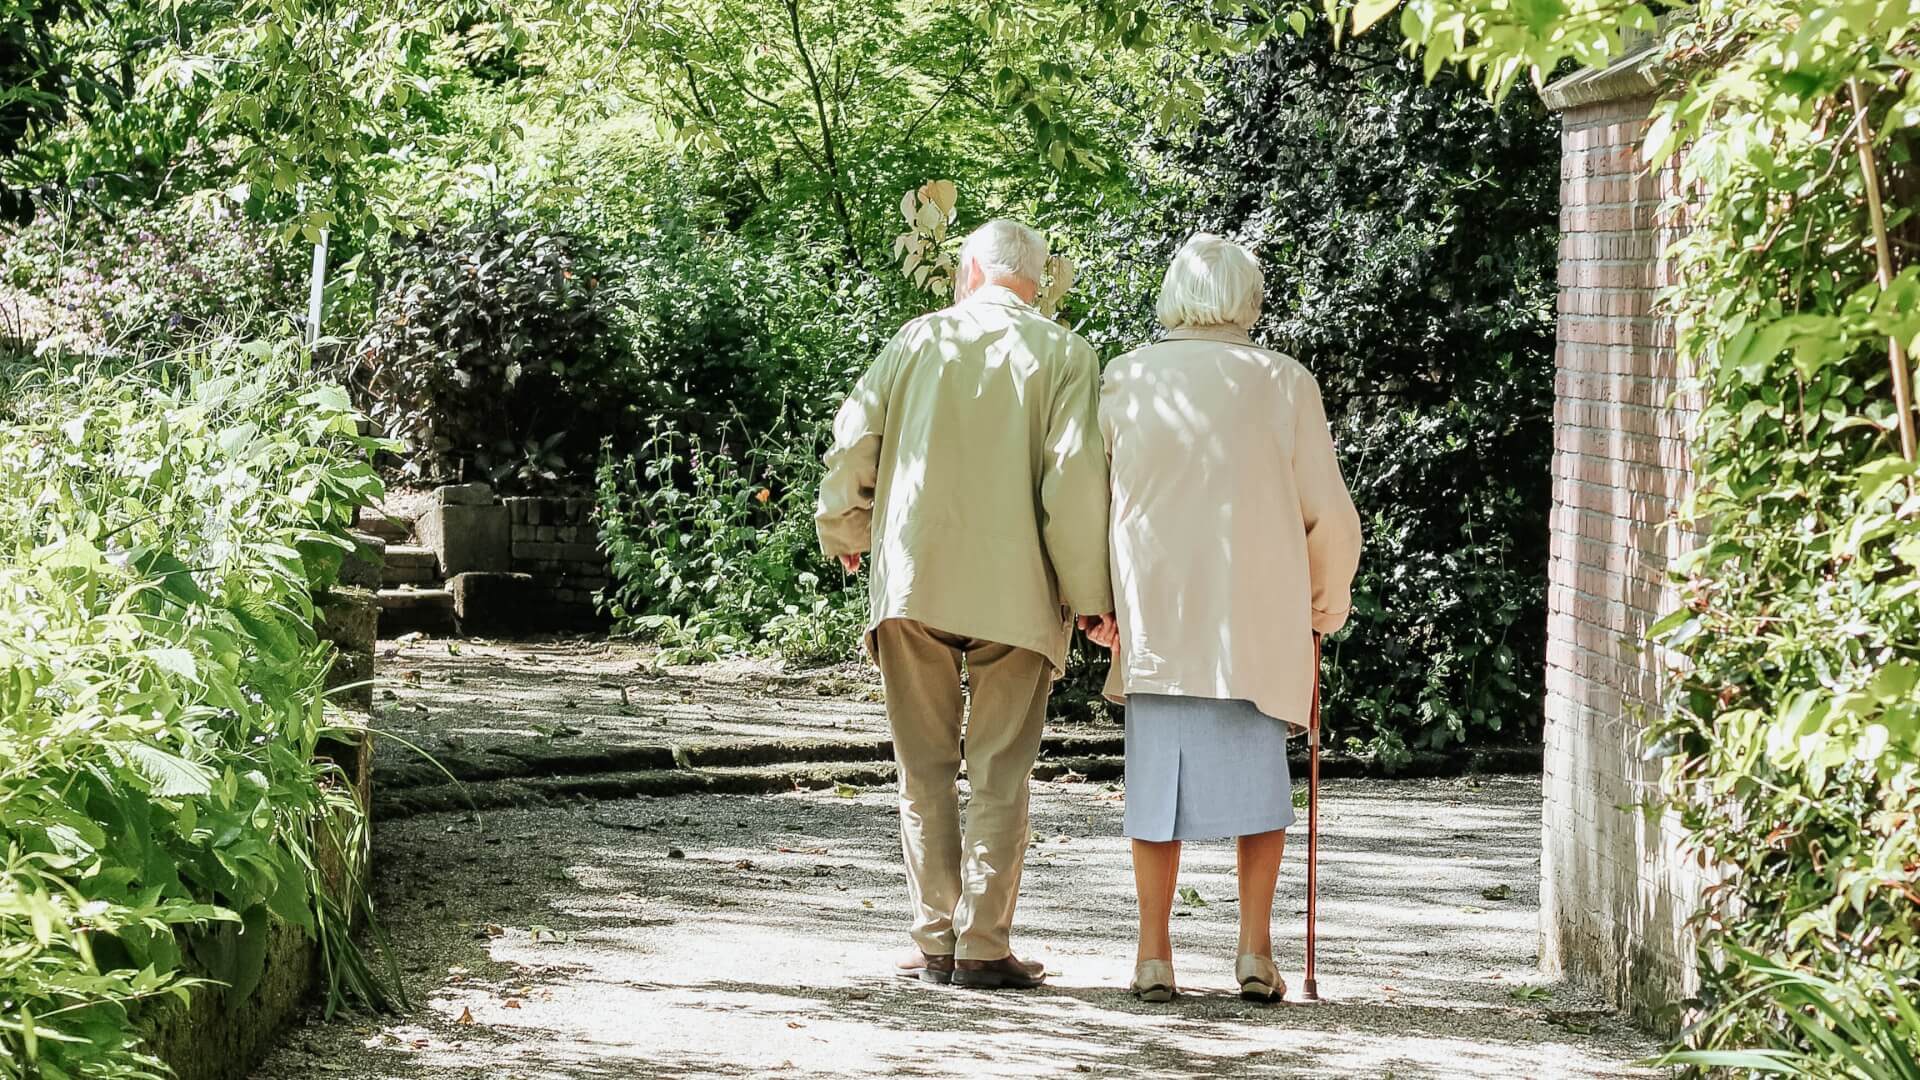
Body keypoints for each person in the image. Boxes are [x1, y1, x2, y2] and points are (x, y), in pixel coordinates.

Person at [815, 219, 1117, 990]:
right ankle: (983, 944)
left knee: (922, 768)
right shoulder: (1065, 353)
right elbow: (1074, 483)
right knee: (1000, 771)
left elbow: (854, 444)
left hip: (916, 580)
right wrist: (1091, 599)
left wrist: (845, 526)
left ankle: (933, 940)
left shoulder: (914, 340)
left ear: (971, 271)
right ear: (1037, 280)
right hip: (1017, 591)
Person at [1094, 233, 1362, 1003]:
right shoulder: (1283, 383)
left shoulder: (1126, 377)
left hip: (1159, 613)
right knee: (1260, 790)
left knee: (1154, 791)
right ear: (1248, 299)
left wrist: (1097, 601)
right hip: (1256, 616)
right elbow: (1330, 516)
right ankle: (1253, 951)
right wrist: (1324, 599)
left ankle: (1153, 955)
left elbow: (1094, 502)